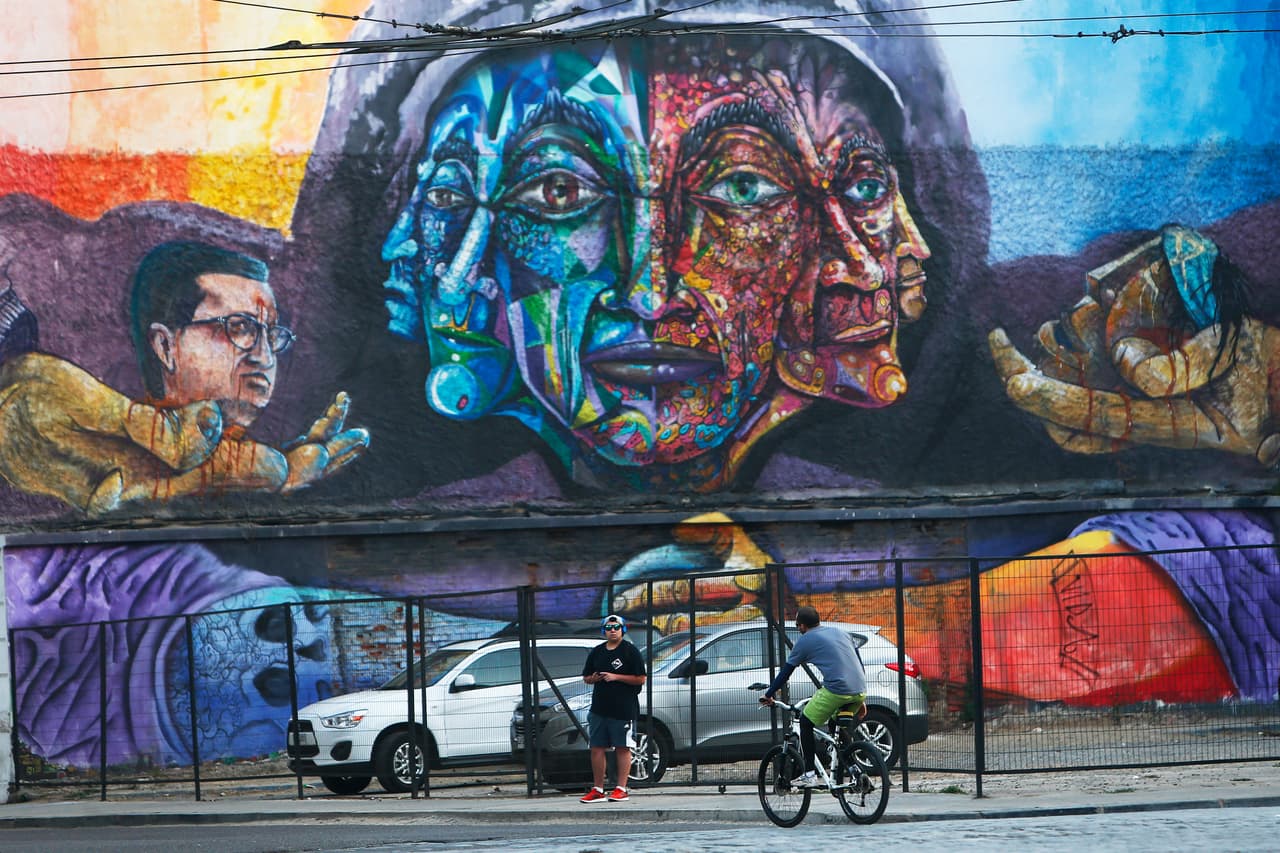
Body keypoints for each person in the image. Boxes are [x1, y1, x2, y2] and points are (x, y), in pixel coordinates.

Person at [0, 240, 369, 514]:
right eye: (239, 327)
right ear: (165, 346)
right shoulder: (70, 409)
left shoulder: (234, 472)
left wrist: (285, 479)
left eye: (272, 336)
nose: (264, 355)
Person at [759, 605, 867, 787]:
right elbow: (858, 662)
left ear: (801, 626)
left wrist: (768, 694)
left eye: (797, 626)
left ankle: (809, 773)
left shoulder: (805, 640)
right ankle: (856, 771)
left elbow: (786, 672)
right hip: (859, 689)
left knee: (806, 723)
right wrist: (861, 698)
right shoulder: (840, 632)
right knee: (835, 725)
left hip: (837, 690)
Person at [579, 614, 647, 803]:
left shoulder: (630, 651)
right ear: (604, 631)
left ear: (623, 629)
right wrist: (594, 678)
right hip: (600, 707)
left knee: (622, 747)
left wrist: (616, 677)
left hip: (623, 708)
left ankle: (621, 788)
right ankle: (598, 789)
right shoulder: (597, 652)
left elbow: (641, 678)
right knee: (596, 748)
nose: (613, 631)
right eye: (609, 628)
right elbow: (586, 677)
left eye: (616, 627)